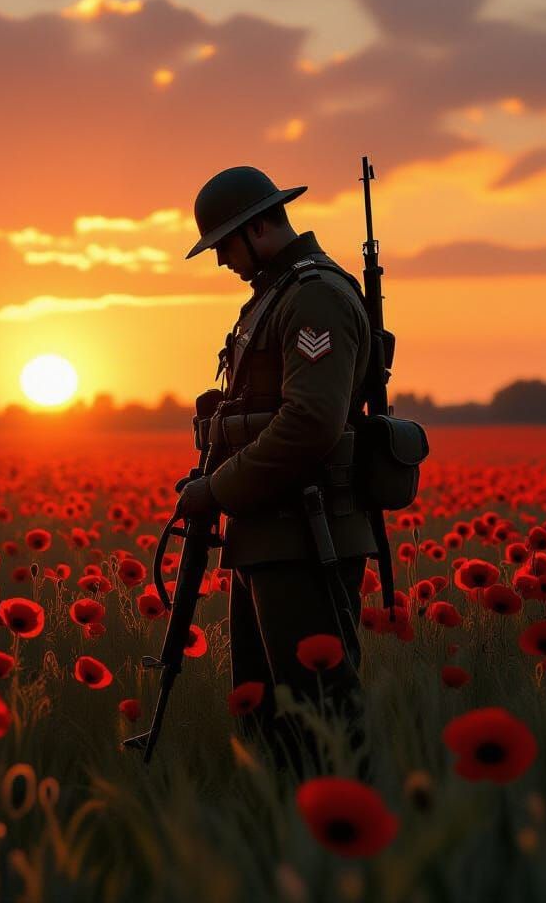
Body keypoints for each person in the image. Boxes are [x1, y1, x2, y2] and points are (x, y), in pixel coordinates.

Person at [175, 164, 377, 781]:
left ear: (259, 227)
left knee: (318, 724)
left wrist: (218, 489)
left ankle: (343, 858)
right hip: (269, 534)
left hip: (306, 535)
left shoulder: (314, 295)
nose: (220, 263)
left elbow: (310, 424)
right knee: (268, 719)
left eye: (224, 246)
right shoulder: (275, 296)